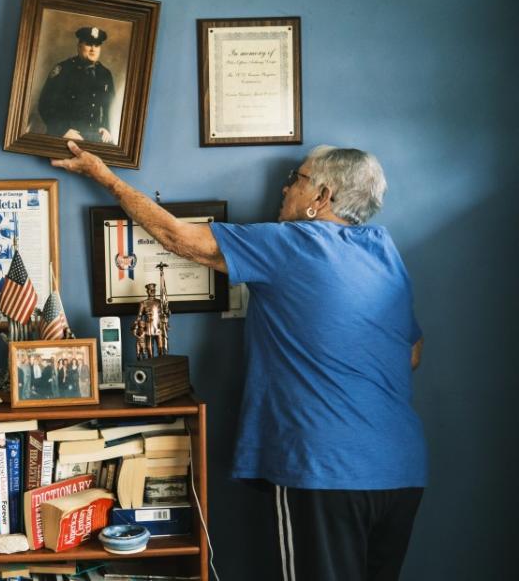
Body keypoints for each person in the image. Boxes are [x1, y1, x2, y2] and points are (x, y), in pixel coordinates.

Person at [52, 140, 426, 581]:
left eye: (298, 179)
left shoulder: (293, 243)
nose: (286, 189)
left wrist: (106, 177)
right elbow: (412, 354)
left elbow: (177, 237)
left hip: (324, 468)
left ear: (323, 197)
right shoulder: (383, 249)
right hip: (401, 469)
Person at [37, 26, 115, 143]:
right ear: (79, 46)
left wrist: (106, 128)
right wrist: (63, 130)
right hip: (67, 134)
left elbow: (109, 106)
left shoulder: (105, 73)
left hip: (95, 135)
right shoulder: (64, 69)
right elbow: (44, 104)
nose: (93, 49)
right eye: (88, 44)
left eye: (97, 45)